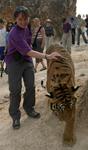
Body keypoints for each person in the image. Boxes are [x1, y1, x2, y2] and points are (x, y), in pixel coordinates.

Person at [5, 6, 62, 129]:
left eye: (25, 19)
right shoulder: (14, 33)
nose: (23, 22)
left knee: (30, 86)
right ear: (15, 19)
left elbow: (29, 45)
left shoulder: (27, 28)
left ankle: (29, 108)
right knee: (15, 90)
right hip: (14, 62)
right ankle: (15, 116)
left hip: (26, 60)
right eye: (20, 19)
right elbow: (29, 51)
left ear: (28, 18)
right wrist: (47, 56)